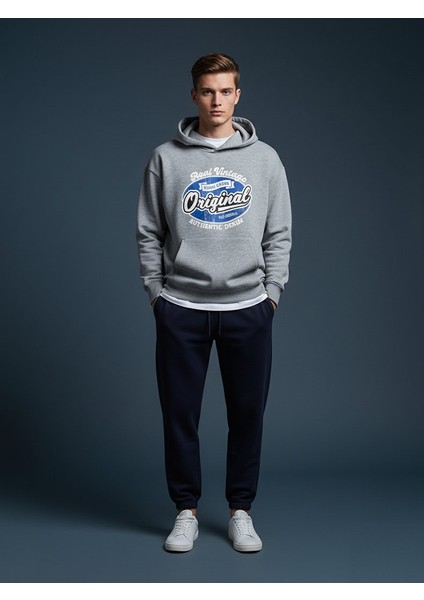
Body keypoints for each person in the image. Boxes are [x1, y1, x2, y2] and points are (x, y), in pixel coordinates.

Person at [136, 52, 292, 553]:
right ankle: (185, 511)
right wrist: (156, 293)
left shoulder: (265, 159)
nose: (217, 100)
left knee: (247, 415)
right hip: (181, 307)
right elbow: (148, 231)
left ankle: (240, 511)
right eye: (208, 91)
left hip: (248, 307)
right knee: (179, 415)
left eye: (225, 91)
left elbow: (279, 233)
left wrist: (272, 293)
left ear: (238, 95)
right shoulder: (166, 158)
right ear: (194, 95)